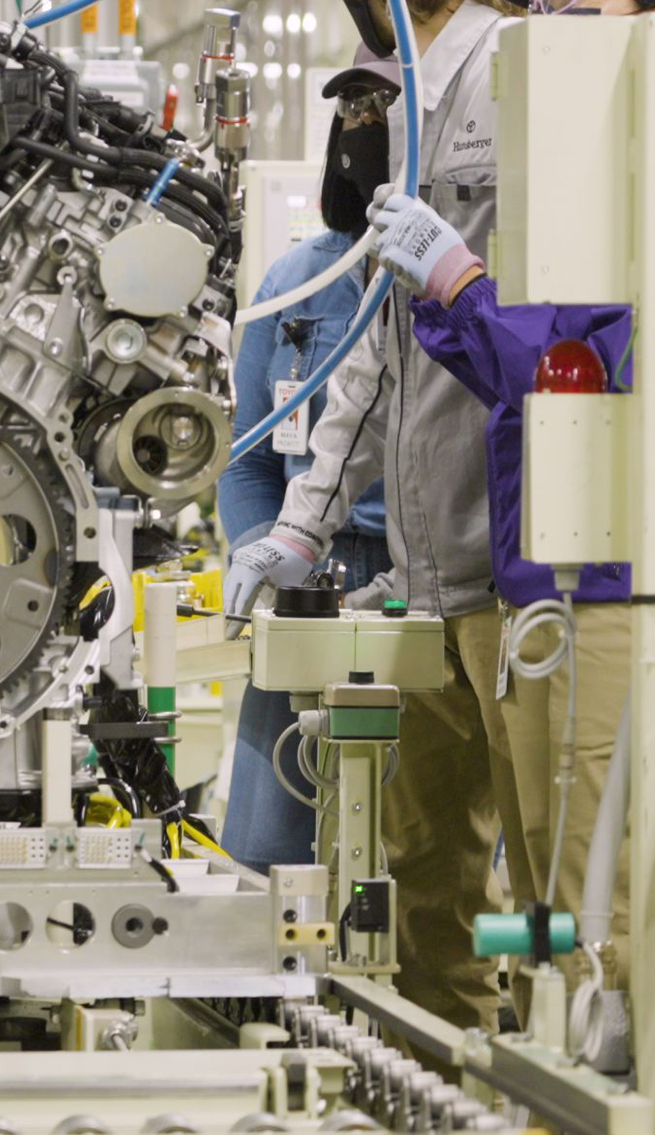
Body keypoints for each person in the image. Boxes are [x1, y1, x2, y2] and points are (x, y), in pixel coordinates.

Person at [376, 0, 655, 1133]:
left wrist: (462, 285)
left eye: (578, 2)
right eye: (537, 5)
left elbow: (594, 368)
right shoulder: (591, 176)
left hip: (643, 595)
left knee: (617, 949)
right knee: (573, 932)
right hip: (561, 580)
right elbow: (538, 358)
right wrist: (459, 293)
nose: (545, 26)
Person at [219, 0, 523, 1036]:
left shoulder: (519, 85)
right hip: (430, 575)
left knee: (550, 898)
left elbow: (569, 342)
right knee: (428, 890)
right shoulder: (415, 106)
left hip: (527, 567)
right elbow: (374, 358)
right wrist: (297, 533)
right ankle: (456, 1088)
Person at [217, 53, 397, 873]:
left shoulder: (465, 279)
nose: (364, 131)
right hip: (307, 587)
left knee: (410, 855)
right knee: (266, 853)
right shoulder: (296, 283)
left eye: (383, 112)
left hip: (420, 587)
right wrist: (269, 564)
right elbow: (248, 459)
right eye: (351, 113)